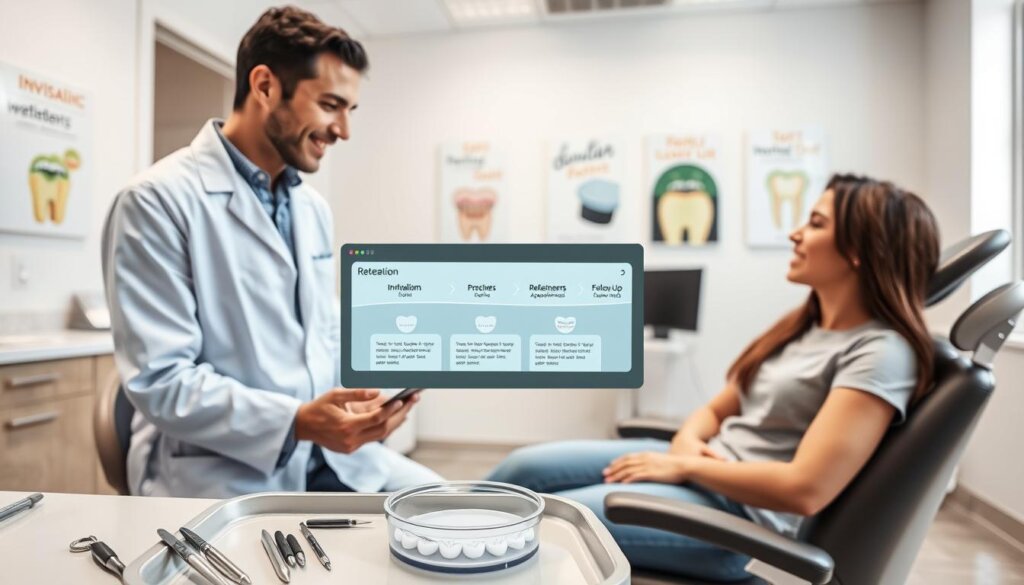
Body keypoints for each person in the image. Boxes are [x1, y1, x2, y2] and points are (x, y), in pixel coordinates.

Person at [488, 174, 939, 581]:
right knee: (522, 468)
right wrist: (685, 446)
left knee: (552, 523)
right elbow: (717, 409)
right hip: (705, 473)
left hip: (742, 525)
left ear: (860, 251)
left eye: (816, 224)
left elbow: (805, 490)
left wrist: (685, 465)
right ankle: (435, 542)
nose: (795, 233)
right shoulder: (805, 328)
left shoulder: (881, 353)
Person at [102, 6, 441, 498]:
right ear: (264, 86)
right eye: (330, 105)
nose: (343, 130)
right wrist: (297, 422)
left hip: (327, 459)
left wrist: (376, 385)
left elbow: (317, 333)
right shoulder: (155, 201)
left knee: (457, 515)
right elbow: (162, 379)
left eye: (350, 110)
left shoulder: (312, 208)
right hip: (223, 473)